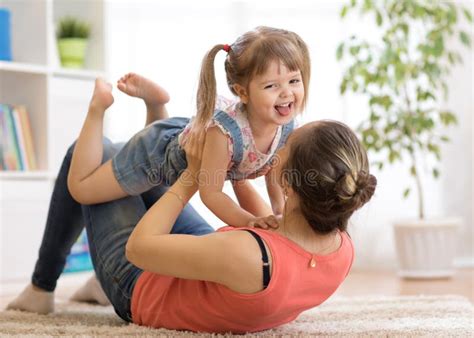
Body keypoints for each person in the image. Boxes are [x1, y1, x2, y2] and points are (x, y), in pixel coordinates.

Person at [7, 77, 377, 333]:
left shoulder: (248, 254)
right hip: (217, 267)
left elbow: (139, 249)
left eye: (286, 149)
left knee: (88, 155)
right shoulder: (339, 249)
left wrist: (192, 178)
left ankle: (42, 287)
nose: (277, 150)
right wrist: (227, 158)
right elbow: (261, 220)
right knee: (137, 168)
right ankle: (156, 115)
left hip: (138, 283)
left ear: (290, 186)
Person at [66, 26, 311, 229]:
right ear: (242, 93)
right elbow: (211, 194)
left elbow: (273, 178)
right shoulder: (224, 134)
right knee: (81, 190)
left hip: (178, 140)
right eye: (272, 86)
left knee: (167, 150)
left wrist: (280, 215)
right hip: (154, 155)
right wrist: (251, 221)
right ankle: (99, 106)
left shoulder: (287, 128)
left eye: (293, 81)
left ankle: (155, 104)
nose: (287, 93)